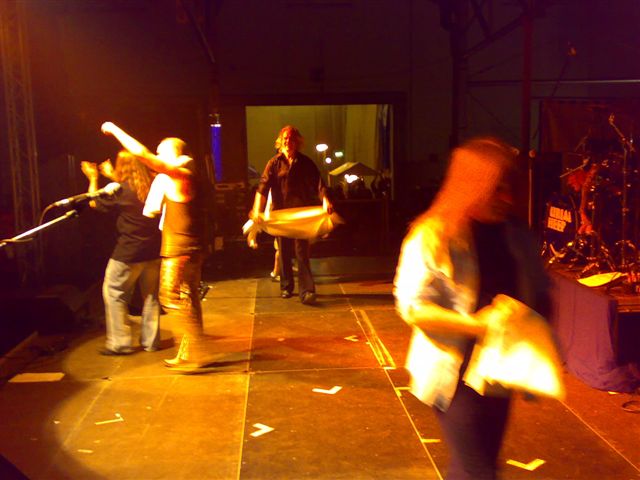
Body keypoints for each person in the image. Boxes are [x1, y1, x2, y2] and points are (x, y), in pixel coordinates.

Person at [394, 137, 551, 480]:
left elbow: (539, 290)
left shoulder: (515, 232)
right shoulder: (433, 235)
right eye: (496, 189)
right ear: (471, 186)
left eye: (510, 189)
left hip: (499, 369)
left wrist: (541, 339)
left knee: (478, 464)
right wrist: (479, 325)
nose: (507, 199)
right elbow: (413, 308)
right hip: (453, 374)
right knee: (479, 470)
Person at [101, 122, 209, 372]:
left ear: (175, 154)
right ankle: (189, 352)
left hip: (180, 249)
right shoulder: (182, 175)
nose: (157, 155)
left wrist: (115, 130)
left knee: (170, 297)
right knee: (188, 299)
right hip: (189, 247)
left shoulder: (180, 174)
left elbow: (142, 155)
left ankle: (199, 351)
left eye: (162, 152)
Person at [81, 152, 161, 355]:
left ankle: (120, 344)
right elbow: (130, 188)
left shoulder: (121, 190)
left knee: (114, 293)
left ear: (122, 167)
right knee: (151, 296)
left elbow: (94, 203)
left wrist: (93, 178)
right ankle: (151, 342)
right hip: (153, 251)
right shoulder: (154, 186)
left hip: (129, 253)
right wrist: (113, 177)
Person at [251, 125, 332, 305]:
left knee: (302, 254)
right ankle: (286, 286)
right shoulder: (274, 163)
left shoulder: (305, 162)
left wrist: (325, 200)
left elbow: (318, 183)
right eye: (285, 139)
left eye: (292, 139)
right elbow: (262, 188)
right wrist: (257, 210)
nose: (288, 142)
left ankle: (307, 290)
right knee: (284, 252)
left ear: (298, 142)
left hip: (300, 216)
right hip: (281, 216)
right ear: (281, 142)